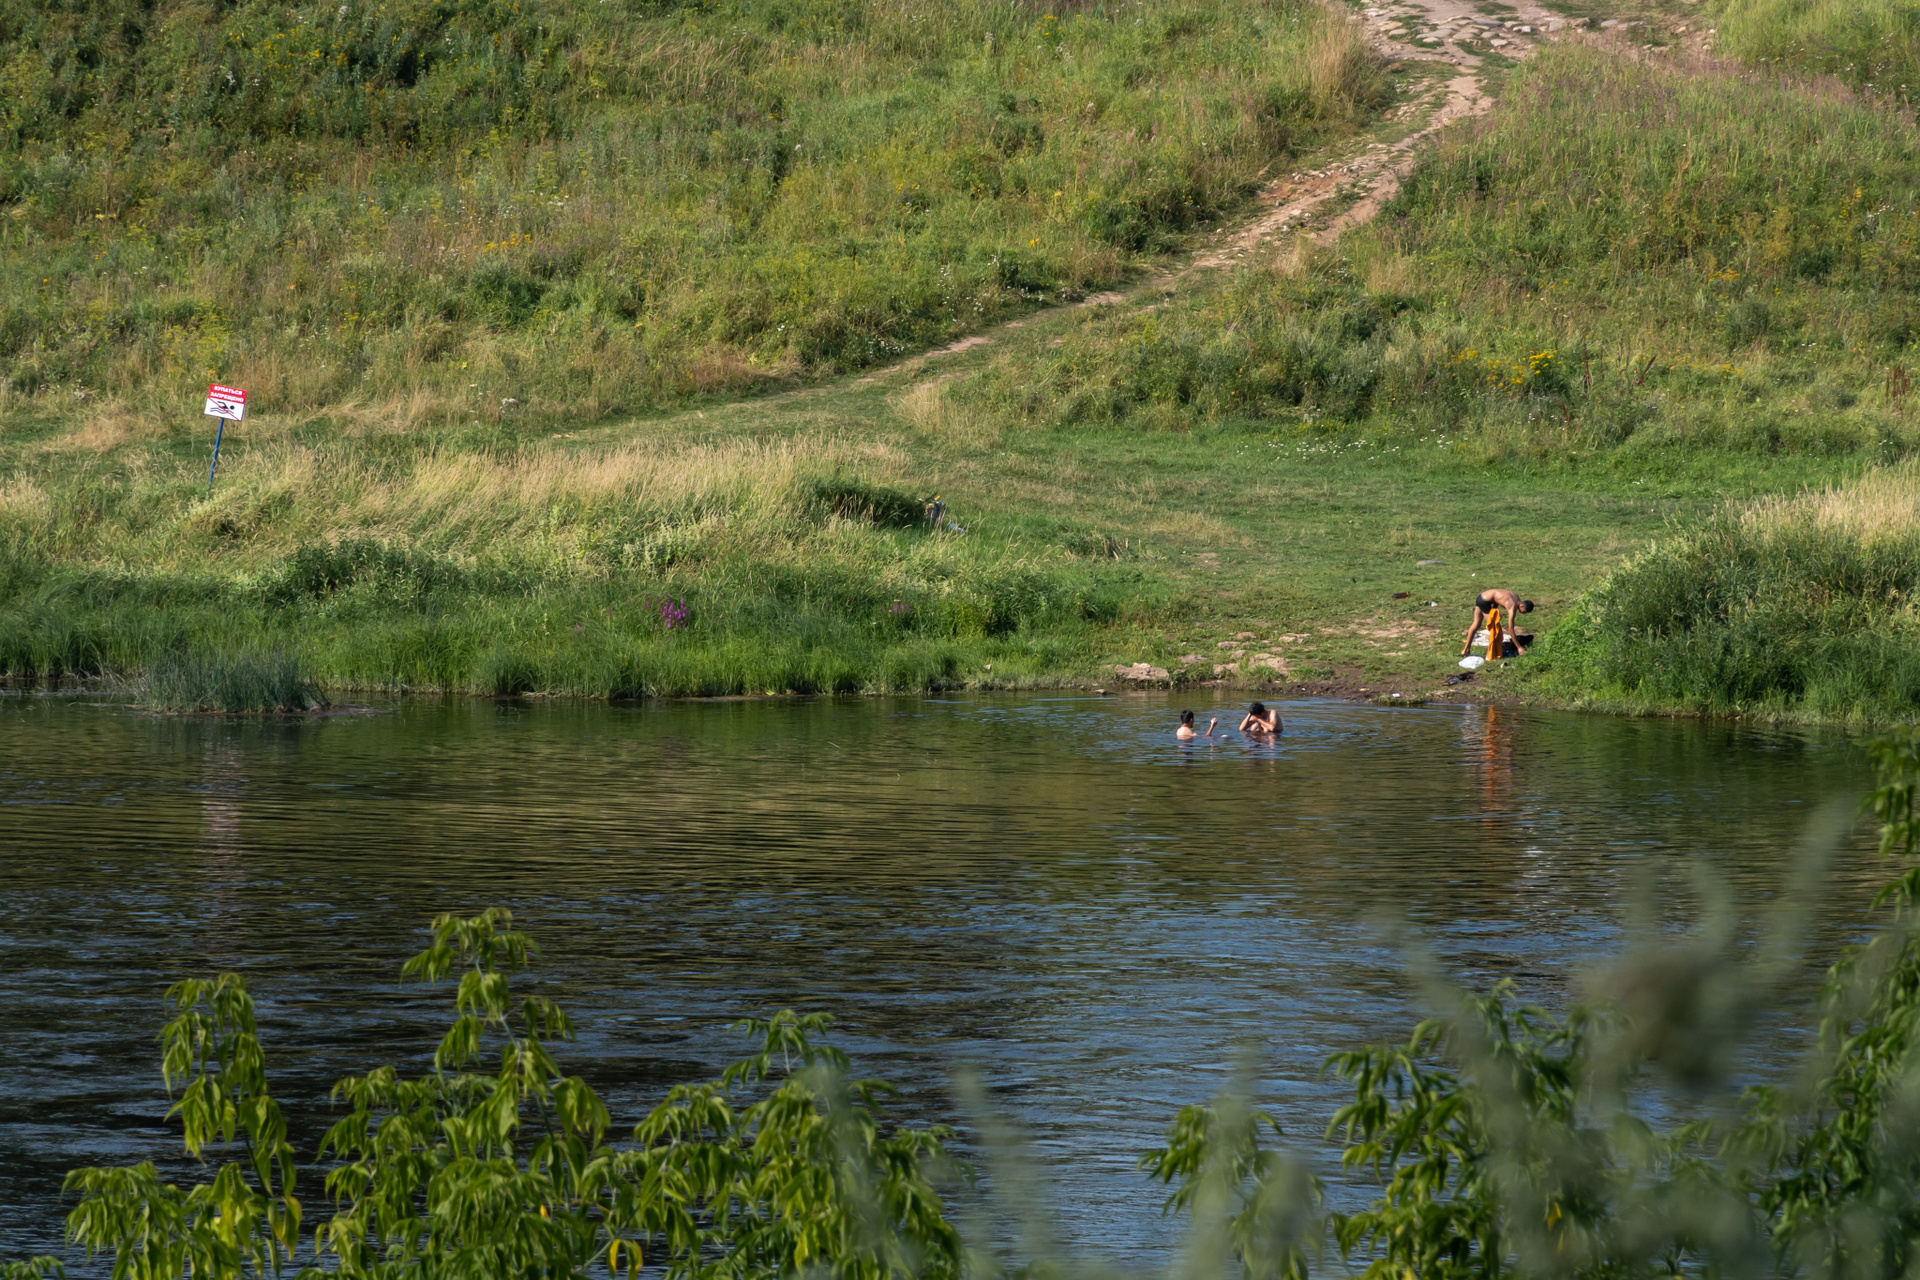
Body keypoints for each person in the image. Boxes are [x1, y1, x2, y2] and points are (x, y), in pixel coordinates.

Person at [1460, 588, 1535, 657]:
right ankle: (1490, 655)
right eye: (1524, 612)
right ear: (1521, 606)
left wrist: (1493, 609)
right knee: (1495, 630)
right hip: (1485, 602)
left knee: (1476, 624)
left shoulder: (1515, 596)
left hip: (1481, 597)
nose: (1523, 613)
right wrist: (1519, 647)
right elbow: (1511, 629)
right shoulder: (1512, 606)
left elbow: (1498, 598)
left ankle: (1466, 650)